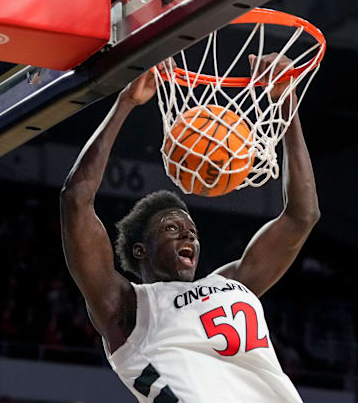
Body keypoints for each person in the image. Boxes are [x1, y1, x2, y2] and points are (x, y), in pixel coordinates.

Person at [60, 53, 319, 402]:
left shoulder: (231, 284)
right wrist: (125, 104)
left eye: (192, 231)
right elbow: (76, 199)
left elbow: (302, 216)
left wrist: (287, 100)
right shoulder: (126, 306)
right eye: (171, 228)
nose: (189, 235)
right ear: (141, 250)